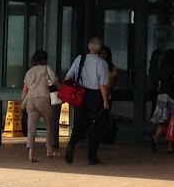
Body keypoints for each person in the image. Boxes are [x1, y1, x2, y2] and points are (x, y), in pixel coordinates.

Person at [63, 37, 110, 166]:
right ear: (100, 49)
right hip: (95, 95)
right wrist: (105, 101)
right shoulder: (102, 63)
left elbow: (68, 77)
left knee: (79, 123)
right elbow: (103, 85)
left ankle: (71, 144)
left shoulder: (80, 58)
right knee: (94, 125)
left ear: (89, 47)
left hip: (80, 94)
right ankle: (91, 157)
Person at [19, 48, 60, 161]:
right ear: (44, 59)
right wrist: (63, 94)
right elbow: (56, 84)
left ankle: (31, 154)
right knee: (50, 124)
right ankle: (49, 150)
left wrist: (24, 102)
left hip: (31, 100)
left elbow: (25, 90)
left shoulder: (29, 72)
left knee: (31, 127)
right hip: (44, 99)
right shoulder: (47, 69)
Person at [151, 48, 174, 153]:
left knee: (163, 121)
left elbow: (159, 83)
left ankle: (155, 139)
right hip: (170, 96)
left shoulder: (162, 68)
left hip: (161, 96)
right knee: (172, 121)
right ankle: (170, 147)